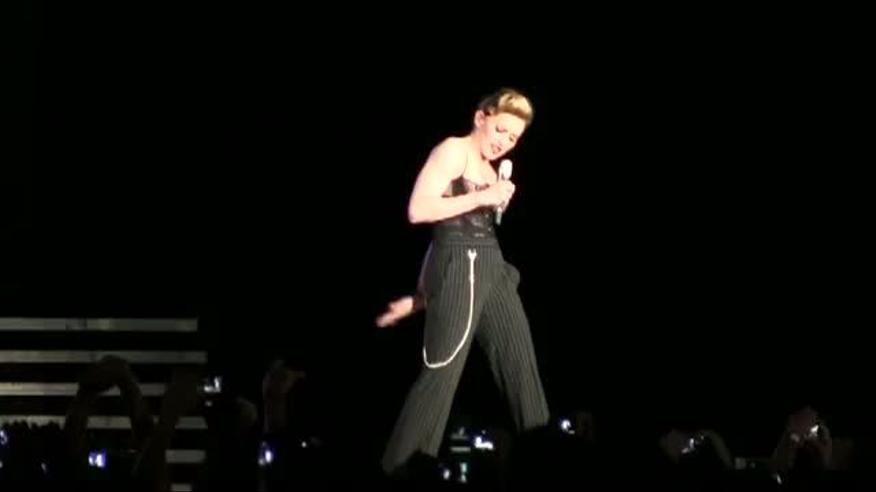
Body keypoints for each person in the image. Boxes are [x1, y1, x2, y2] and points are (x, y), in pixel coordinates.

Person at [380, 88, 551, 476]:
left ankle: (547, 463)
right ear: (480, 117)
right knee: (441, 377)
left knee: (522, 371)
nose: (504, 142)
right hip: (462, 267)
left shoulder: (491, 170)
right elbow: (419, 210)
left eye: (513, 138)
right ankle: (401, 472)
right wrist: (483, 198)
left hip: (493, 268)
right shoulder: (453, 150)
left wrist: (419, 297)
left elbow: (451, 231)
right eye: (500, 130)